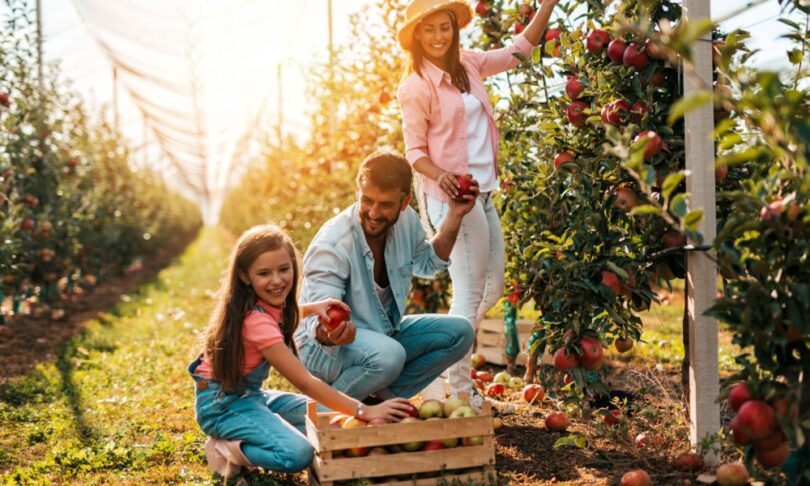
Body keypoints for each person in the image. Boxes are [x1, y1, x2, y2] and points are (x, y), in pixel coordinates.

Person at [396, 0, 559, 399]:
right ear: (417, 35)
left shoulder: (468, 64)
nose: (438, 36)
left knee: (493, 286)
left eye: (444, 27)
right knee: (469, 294)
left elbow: (518, 51)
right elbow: (414, 152)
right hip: (454, 199)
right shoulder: (416, 85)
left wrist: (548, 6)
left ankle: (435, 344)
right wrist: (443, 176)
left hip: (483, 191)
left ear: (454, 28)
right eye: (429, 29)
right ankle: (462, 391)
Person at [188, 225, 412, 479]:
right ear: (244, 276)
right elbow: (304, 382)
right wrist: (364, 410)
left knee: (331, 417)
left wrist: (313, 308)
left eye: (284, 269)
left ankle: (259, 425)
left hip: (251, 395)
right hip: (222, 406)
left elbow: (281, 317)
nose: (277, 280)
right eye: (264, 273)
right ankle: (226, 450)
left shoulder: (262, 304)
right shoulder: (256, 321)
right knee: (298, 454)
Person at [296, 150, 478, 405]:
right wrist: (331, 333)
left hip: (381, 335)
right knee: (389, 355)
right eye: (367, 200)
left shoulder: (406, 222)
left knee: (460, 332)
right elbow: (317, 321)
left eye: (386, 205)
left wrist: (455, 215)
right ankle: (322, 411)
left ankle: (377, 401)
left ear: (405, 202)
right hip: (324, 350)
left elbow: (428, 263)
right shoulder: (334, 244)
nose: (373, 212)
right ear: (358, 192)